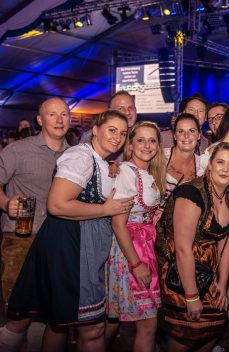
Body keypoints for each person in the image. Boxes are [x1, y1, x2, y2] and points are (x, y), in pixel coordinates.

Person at [3, 110, 134, 352]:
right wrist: (107, 208)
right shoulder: (80, 157)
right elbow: (57, 204)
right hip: (71, 247)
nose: (118, 137)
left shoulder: (100, 161)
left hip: (80, 246)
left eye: (123, 133)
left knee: (59, 324)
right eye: (112, 130)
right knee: (93, 329)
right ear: (95, 129)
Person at [0, 97, 70, 351]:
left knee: (48, 310)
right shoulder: (18, 150)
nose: (59, 119)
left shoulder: (75, 154)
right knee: (19, 312)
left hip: (58, 242)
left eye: (64, 114)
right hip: (22, 239)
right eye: (52, 114)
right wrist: (6, 203)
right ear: (40, 120)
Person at [155, 142, 229, 351]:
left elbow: (226, 241)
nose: (225, 169)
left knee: (212, 329)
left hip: (209, 274)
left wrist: (222, 282)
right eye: (220, 162)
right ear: (209, 165)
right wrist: (191, 295)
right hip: (181, 273)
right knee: (185, 336)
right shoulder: (191, 193)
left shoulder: (228, 196)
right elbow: (182, 248)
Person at [106, 121, 167, 352]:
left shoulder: (148, 173)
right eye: (140, 140)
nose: (147, 145)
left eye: (152, 140)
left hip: (144, 247)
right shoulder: (126, 173)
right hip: (130, 250)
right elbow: (118, 224)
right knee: (147, 325)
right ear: (130, 145)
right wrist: (136, 263)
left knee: (119, 321)